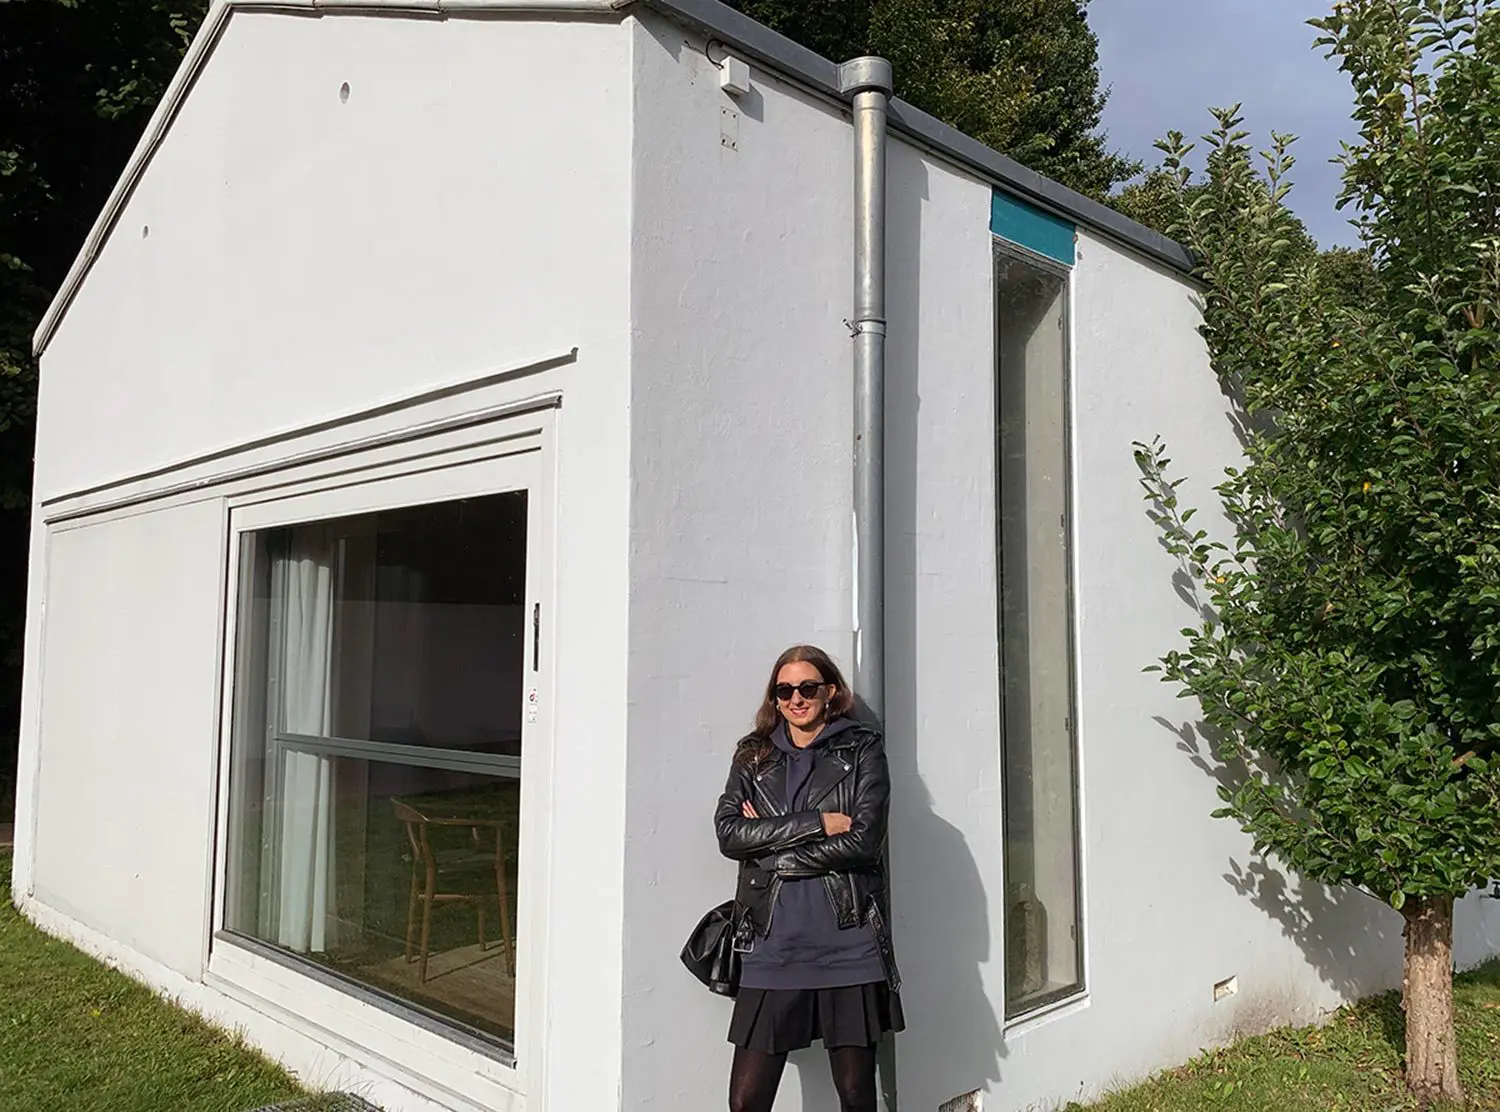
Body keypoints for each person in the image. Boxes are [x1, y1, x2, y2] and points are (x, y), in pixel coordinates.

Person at [714, 645, 903, 1112]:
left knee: (857, 1095)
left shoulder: (861, 748)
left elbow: (864, 840)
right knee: (746, 1101)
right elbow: (730, 834)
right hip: (771, 945)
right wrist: (816, 822)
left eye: (807, 687)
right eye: (784, 690)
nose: (795, 699)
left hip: (847, 943)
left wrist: (772, 853)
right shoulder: (753, 755)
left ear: (830, 691)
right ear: (774, 697)